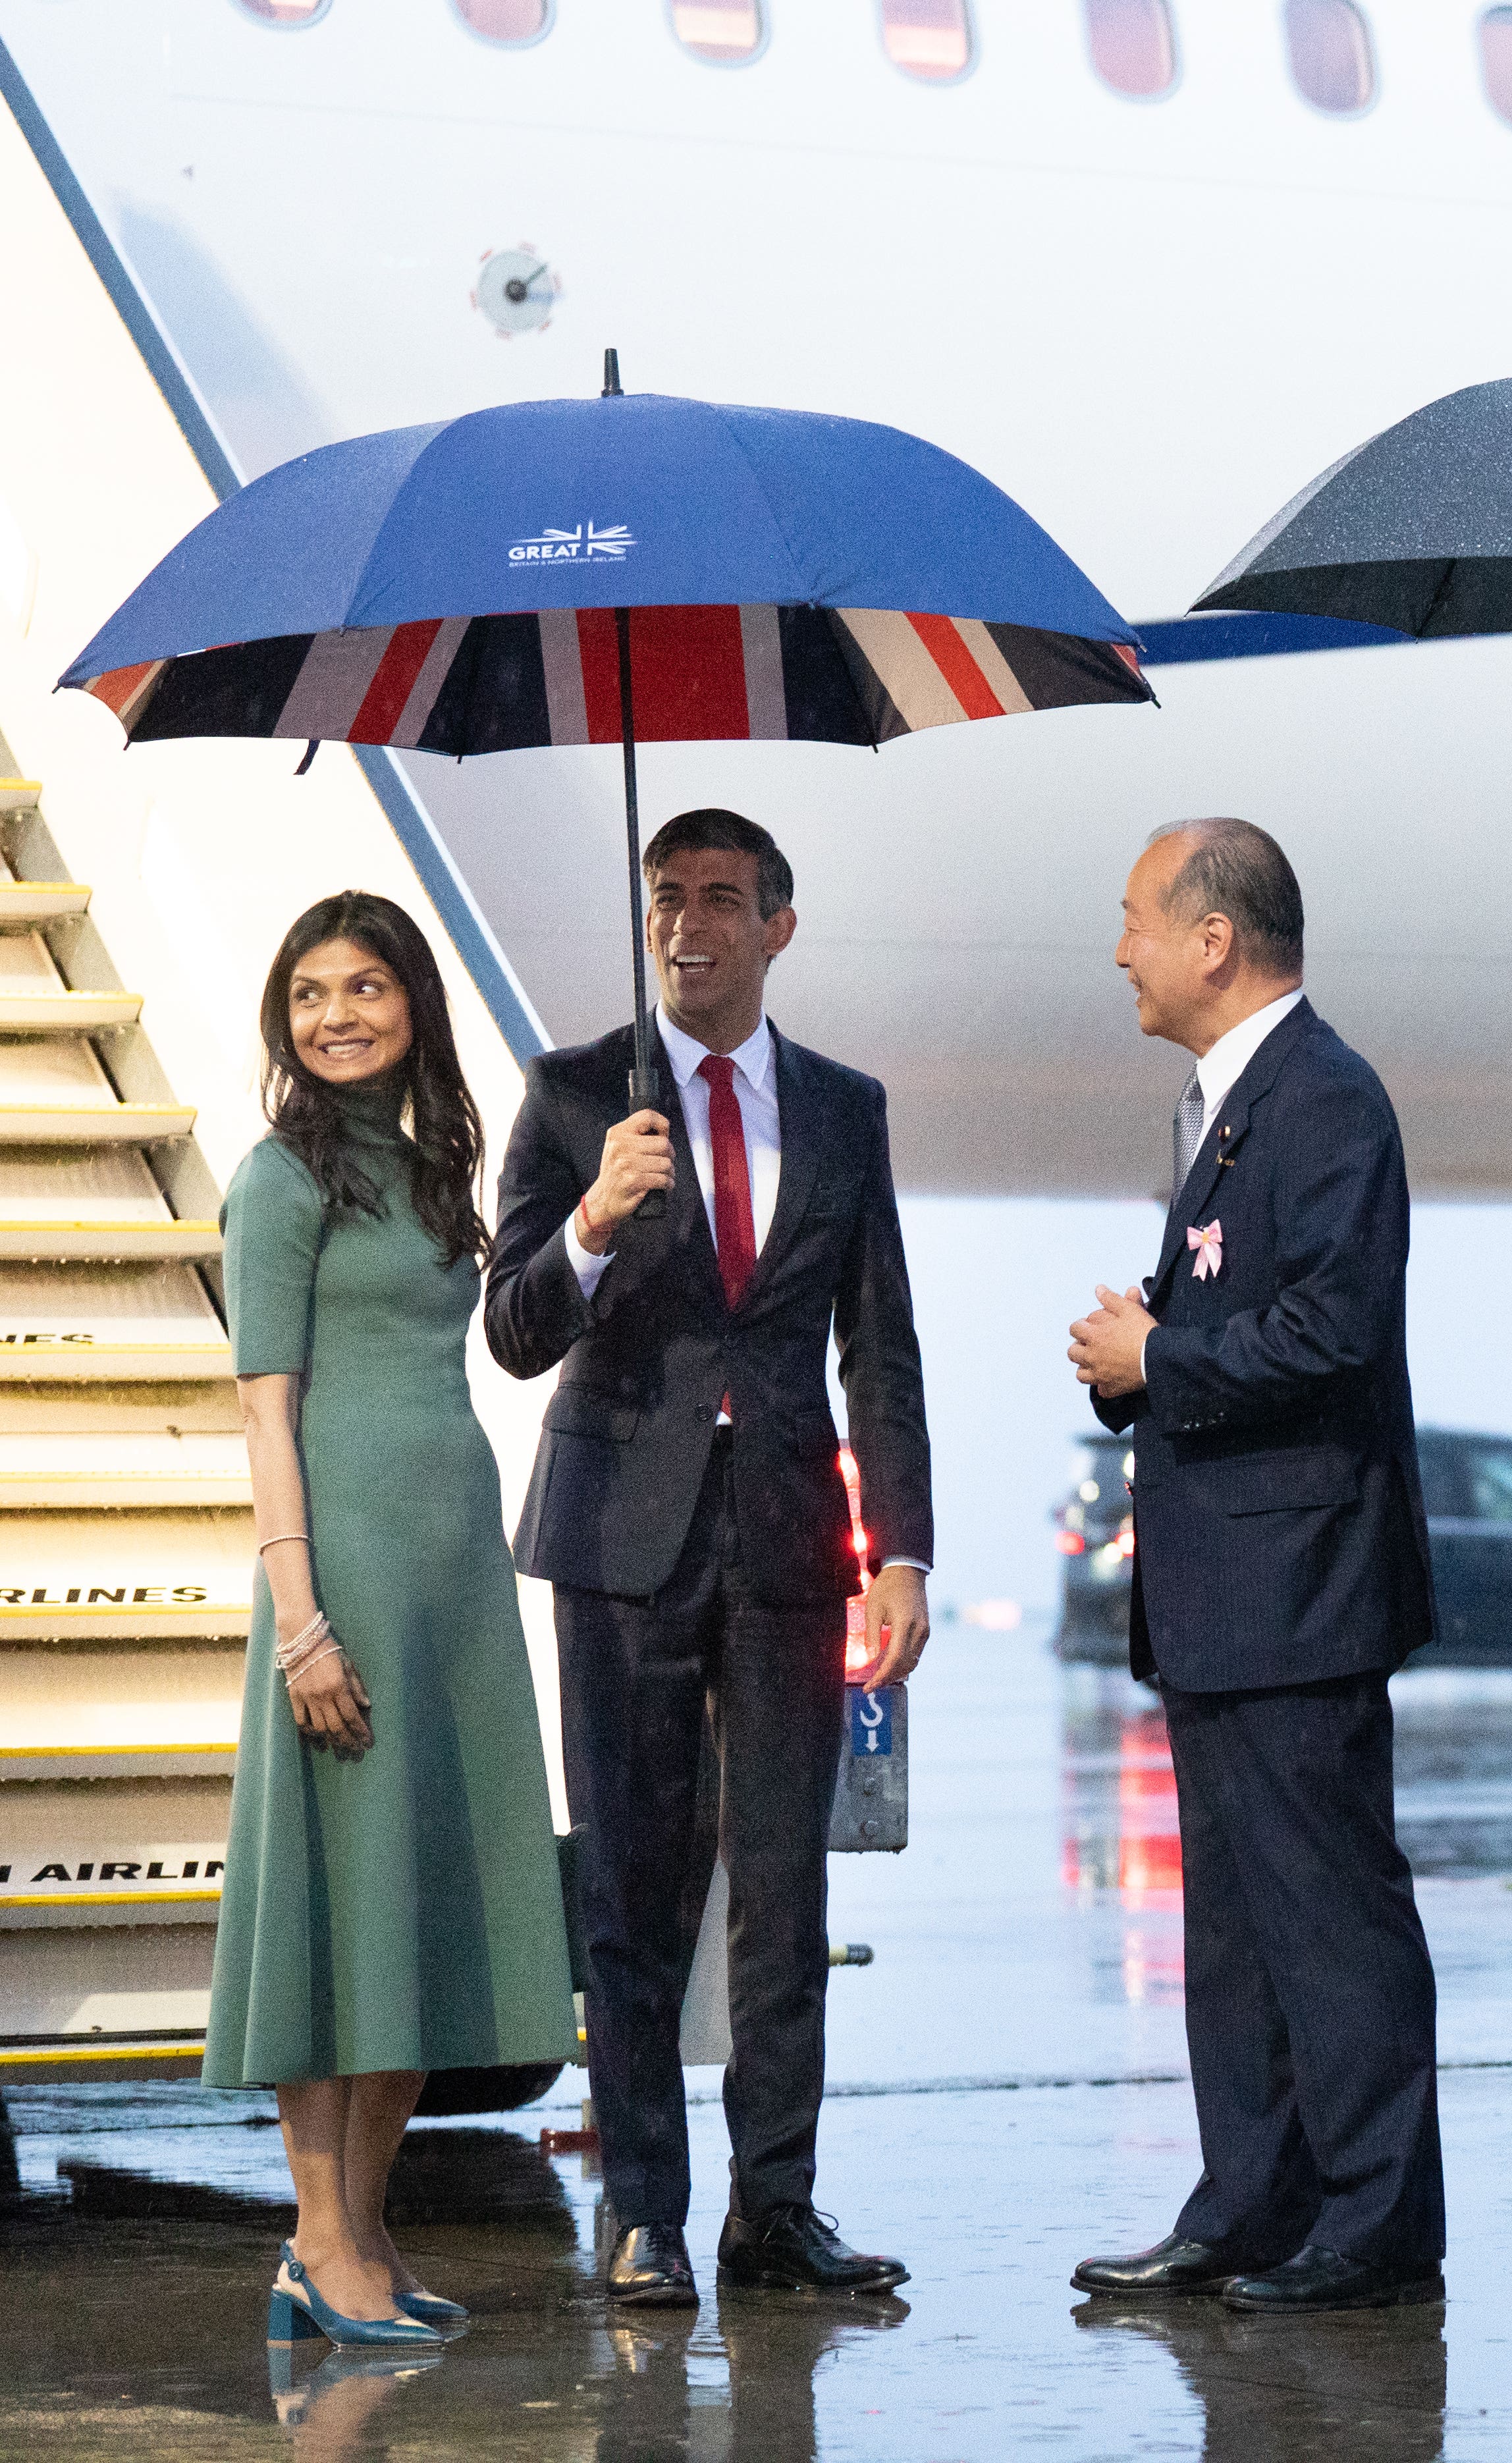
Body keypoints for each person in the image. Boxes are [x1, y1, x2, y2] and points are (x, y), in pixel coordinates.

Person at [485, 808, 931, 2309]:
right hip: (621, 1538)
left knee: (785, 1893)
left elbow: (882, 1343)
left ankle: (775, 2210)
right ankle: (647, 2217)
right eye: (666, 898)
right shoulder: (568, 1100)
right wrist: (598, 1218)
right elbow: (517, 1327)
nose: (688, 924)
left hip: (794, 1539)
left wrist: (907, 1552)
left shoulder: (844, 1107)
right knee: (629, 1888)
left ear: (775, 927)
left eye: (720, 900)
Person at [1065, 817, 1447, 2314]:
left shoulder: (1323, 1101)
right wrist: (1137, 1367)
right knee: (1230, 1931)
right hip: (1226, 1598)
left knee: (1331, 1920)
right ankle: (1251, 2201)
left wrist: (1160, 1353)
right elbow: (1249, 1321)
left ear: (1213, 938)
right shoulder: (1231, 1104)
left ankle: (1374, 2224)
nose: (1120, 952)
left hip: (1299, 1594)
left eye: (1135, 919)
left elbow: (1335, 1332)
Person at [208, 892, 578, 2349]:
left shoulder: (433, 1169)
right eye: (309, 992)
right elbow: (265, 1408)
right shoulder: (281, 1177)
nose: (337, 1014)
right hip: (345, 1568)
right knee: (334, 1911)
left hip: (451, 1579)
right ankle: (315, 2237)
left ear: (414, 1004)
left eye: (366, 986)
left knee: (414, 1906)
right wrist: (301, 1617)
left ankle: (361, 2234)